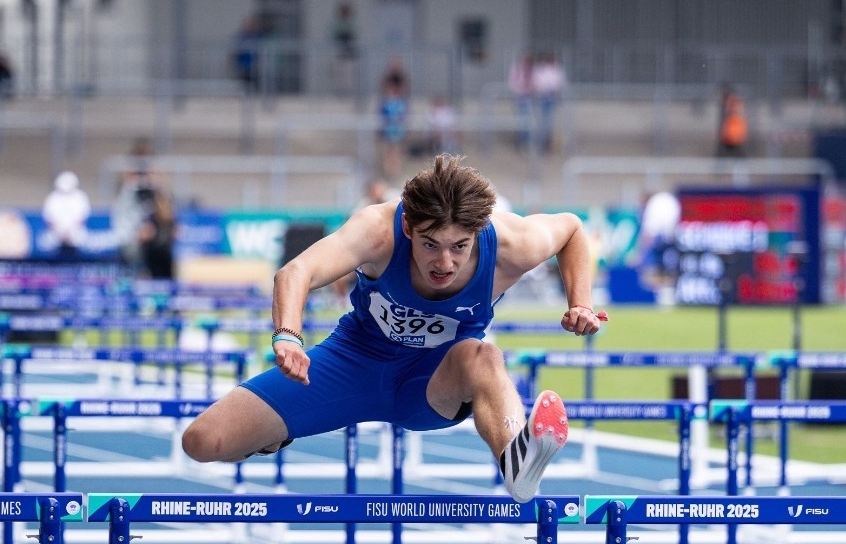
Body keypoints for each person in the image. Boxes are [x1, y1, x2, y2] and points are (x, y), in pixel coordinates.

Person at [182, 154, 607, 503]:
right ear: (408, 227)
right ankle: (271, 438)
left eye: (459, 247)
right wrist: (289, 336)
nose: (445, 263)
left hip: (433, 380)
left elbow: (571, 229)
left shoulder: (512, 241)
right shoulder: (378, 229)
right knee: (202, 442)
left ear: (477, 232)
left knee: (483, 355)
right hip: (350, 364)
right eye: (429, 246)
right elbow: (296, 272)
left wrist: (580, 303)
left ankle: (517, 460)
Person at [41, 170, 91, 261]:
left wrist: (71, 231)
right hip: (56, 235)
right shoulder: (52, 198)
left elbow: (82, 217)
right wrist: (59, 232)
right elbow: (49, 218)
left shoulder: (80, 197)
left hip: (76, 234)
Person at [377, 61, 410, 179]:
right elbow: (382, 115)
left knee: (396, 150)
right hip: (388, 129)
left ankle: (396, 171)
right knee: (388, 150)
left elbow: (404, 115)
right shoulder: (385, 102)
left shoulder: (400, 102)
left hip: (397, 129)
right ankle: (388, 171)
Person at [531, 52, 566, 154]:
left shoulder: (557, 70)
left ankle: (547, 144)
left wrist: (551, 87)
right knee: (541, 122)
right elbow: (537, 83)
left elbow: (560, 83)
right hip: (541, 97)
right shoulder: (539, 70)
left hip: (551, 98)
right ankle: (539, 144)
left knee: (549, 122)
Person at [508, 53, 534, 150]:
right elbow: (512, 84)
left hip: (529, 98)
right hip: (520, 97)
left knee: (528, 122)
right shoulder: (517, 70)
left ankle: (526, 143)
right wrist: (522, 87)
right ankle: (520, 142)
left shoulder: (531, 71)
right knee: (521, 121)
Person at [717, 85, 748, 157]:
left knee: (736, 152)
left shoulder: (732, 103)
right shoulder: (731, 103)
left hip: (733, 134)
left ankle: (741, 165)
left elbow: (735, 117)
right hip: (731, 135)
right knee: (733, 152)